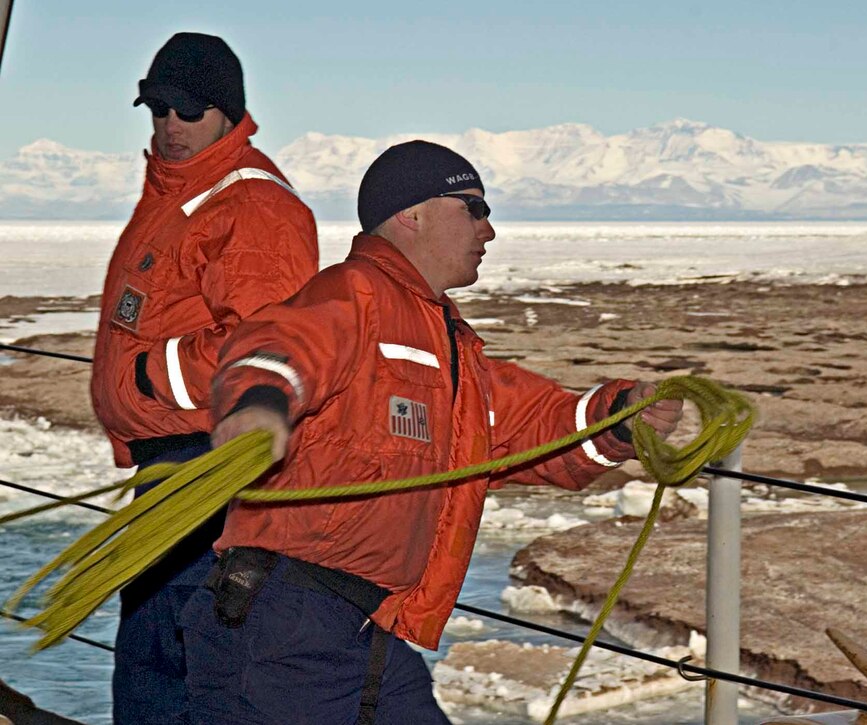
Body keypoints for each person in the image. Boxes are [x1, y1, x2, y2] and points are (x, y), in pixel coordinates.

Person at [179, 140, 683, 724]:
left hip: (364, 628)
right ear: (410, 214)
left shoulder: (446, 339)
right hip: (283, 625)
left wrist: (619, 415)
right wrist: (260, 405)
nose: (488, 230)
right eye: (472, 207)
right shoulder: (353, 294)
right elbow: (282, 346)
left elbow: (533, 424)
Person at [89, 32, 319, 724]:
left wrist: (145, 376)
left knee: (174, 660)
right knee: (156, 655)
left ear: (227, 111)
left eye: (186, 110)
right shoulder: (176, 195)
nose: (169, 124)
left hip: (213, 469)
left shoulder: (252, 207)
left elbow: (263, 345)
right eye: (157, 107)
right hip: (167, 469)